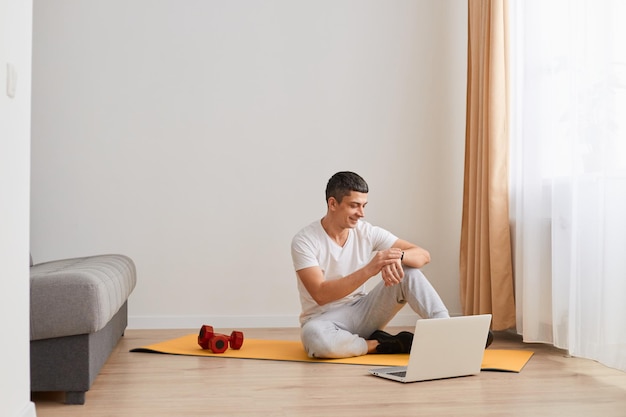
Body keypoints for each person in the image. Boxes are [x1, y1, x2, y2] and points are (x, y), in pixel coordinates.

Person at [290, 171, 451, 359]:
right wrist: (371, 268)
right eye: (354, 206)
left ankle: (446, 331)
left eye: (364, 206)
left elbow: (423, 255)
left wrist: (396, 257)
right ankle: (380, 344)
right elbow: (321, 294)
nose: (361, 213)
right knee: (314, 337)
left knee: (409, 270)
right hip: (323, 321)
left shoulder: (366, 232)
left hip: (362, 311)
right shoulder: (305, 240)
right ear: (332, 203)